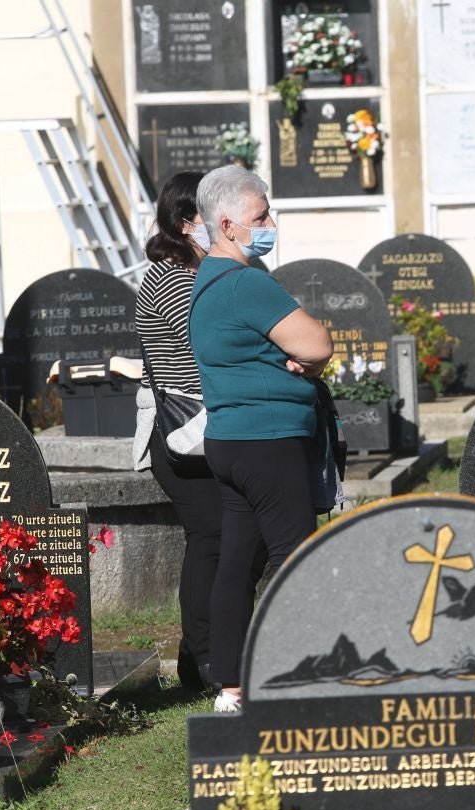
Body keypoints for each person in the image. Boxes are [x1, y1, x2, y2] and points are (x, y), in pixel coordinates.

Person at [190, 166, 334, 713]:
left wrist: (299, 358)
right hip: (268, 438)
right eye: (261, 215)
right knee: (294, 556)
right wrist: (308, 360)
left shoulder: (207, 279)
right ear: (228, 225)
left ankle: (231, 683)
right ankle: (298, 673)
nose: (271, 223)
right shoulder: (246, 283)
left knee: (238, 562)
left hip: (230, 440)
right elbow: (317, 343)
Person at [132, 171, 222, 693]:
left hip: (205, 427)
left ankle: (202, 653)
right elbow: (208, 350)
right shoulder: (173, 279)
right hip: (184, 433)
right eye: (214, 212)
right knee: (210, 537)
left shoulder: (199, 271)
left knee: (225, 539)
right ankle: (204, 660)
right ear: (188, 222)